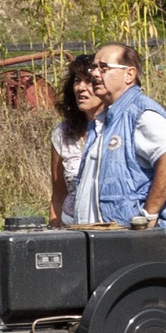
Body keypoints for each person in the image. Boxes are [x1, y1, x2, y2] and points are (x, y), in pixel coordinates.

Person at [85, 42, 166, 252]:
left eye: (104, 67)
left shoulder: (140, 114)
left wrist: (147, 217)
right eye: (94, 68)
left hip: (140, 244)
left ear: (129, 74)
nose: (95, 74)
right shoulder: (105, 119)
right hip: (112, 242)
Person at [47, 53, 104, 224]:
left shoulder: (121, 127)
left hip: (112, 229)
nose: (81, 87)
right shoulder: (63, 134)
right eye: (77, 81)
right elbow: (58, 195)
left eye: (89, 82)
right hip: (72, 229)